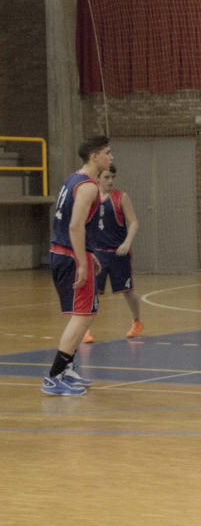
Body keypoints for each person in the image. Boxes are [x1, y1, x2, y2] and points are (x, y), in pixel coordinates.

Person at [42, 136, 113, 396]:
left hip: (64, 251)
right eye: (107, 152)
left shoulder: (73, 178)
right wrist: (82, 262)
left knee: (86, 314)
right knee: (83, 315)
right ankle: (53, 377)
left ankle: (67, 369)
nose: (111, 157)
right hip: (70, 256)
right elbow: (74, 226)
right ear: (95, 156)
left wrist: (86, 254)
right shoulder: (89, 187)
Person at [83, 165, 144, 344]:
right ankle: (85, 329)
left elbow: (134, 222)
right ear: (98, 178)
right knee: (93, 292)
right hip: (98, 253)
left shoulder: (121, 197)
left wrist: (127, 242)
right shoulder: (91, 198)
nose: (110, 181)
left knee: (128, 291)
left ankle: (137, 321)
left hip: (119, 252)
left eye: (113, 177)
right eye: (107, 177)